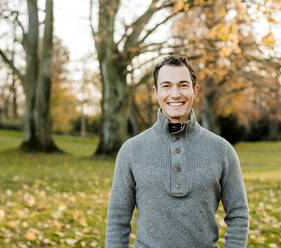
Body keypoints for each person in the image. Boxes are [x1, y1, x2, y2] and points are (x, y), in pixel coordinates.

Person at [105, 55, 249, 248]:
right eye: (166, 86)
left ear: (194, 90)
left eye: (183, 85)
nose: (175, 93)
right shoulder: (131, 150)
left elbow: (238, 215)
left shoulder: (222, 150)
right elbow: (117, 220)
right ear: (156, 92)